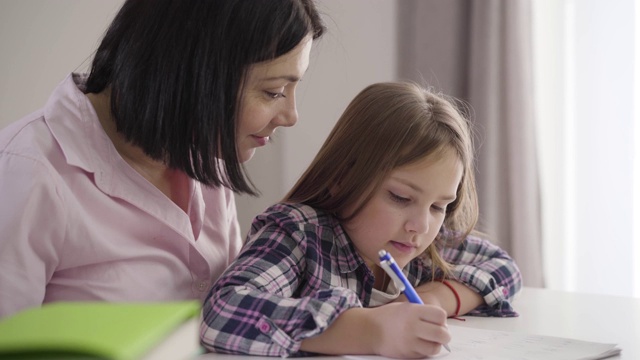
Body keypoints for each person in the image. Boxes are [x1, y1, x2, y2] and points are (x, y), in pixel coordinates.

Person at [0, 0, 326, 318]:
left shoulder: (204, 157)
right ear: (194, 70)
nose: (291, 116)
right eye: (274, 92)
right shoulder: (26, 175)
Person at [200, 82, 522, 358]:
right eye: (400, 198)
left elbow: (503, 267)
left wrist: (434, 298)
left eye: (439, 206)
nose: (421, 226)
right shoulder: (299, 233)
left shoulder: (423, 246)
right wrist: (370, 330)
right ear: (344, 177)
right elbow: (224, 312)